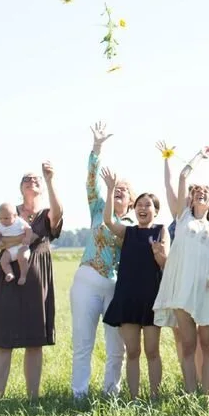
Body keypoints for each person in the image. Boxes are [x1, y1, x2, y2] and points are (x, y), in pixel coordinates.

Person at [0, 162, 64, 400]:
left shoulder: (47, 213)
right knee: (3, 340)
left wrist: (50, 179)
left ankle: (33, 398)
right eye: (27, 178)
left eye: (36, 179)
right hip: (7, 279)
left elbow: (56, 215)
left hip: (37, 282)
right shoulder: (8, 211)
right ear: (20, 187)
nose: (32, 180)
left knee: (34, 340)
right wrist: (22, 239)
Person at [152, 144, 209, 395]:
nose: (200, 193)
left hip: (206, 290)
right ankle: (190, 392)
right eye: (197, 192)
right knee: (188, 344)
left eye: (206, 192)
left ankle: (206, 396)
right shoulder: (182, 217)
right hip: (183, 291)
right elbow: (182, 176)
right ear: (191, 199)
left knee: (207, 345)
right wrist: (199, 156)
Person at [68, 121, 132, 399]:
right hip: (86, 282)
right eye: (115, 188)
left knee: (116, 347)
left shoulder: (130, 225)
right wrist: (97, 147)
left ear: (130, 201)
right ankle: (79, 395)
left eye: (123, 191)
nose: (118, 191)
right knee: (83, 342)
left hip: (115, 289)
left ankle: (111, 394)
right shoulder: (97, 210)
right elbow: (90, 181)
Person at [101, 173, 169, 400]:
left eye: (147, 205)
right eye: (139, 205)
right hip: (127, 299)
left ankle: (154, 396)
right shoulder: (128, 231)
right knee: (132, 352)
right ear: (134, 209)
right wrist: (111, 189)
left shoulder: (161, 231)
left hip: (151, 299)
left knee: (152, 351)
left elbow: (165, 264)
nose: (142, 208)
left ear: (155, 211)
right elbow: (109, 221)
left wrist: (158, 255)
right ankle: (133, 398)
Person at [0, 202, 31, 285]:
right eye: (1, 218)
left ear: (15, 216)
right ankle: (9, 273)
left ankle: (23, 276)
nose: (3, 221)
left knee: (23, 258)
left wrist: (27, 238)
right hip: (10, 249)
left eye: (6, 218)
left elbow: (28, 229)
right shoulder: (1, 225)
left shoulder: (19, 222)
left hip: (22, 246)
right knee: (3, 261)